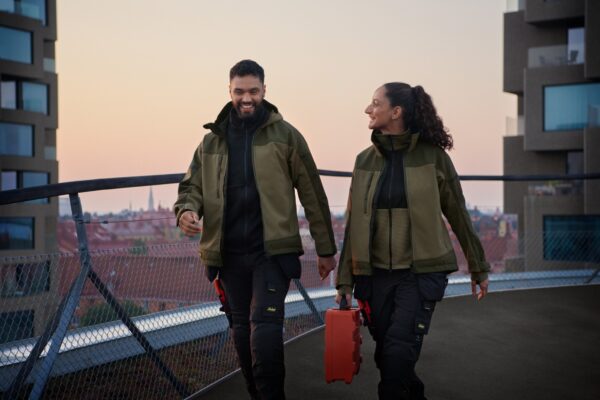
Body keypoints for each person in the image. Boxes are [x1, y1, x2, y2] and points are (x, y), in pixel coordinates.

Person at [174, 60, 337, 400]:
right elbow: (192, 187)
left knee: (265, 330)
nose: (246, 98)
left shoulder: (287, 136)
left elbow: (312, 193)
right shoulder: (211, 142)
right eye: (239, 92)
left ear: (264, 90)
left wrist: (325, 249)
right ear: (229, 91)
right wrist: (186, 210)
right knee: (241, 334)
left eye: (253, 91)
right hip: (228, 253)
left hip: (272, 252)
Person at [335, 82, 490, 400]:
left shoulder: (434, 158)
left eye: (375, 103)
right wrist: (344, 282)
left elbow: (459, 214)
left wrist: (478, 266)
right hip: (375, 277)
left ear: (396, 112)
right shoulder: (364, 161)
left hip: (420, 275)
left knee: (396, 354)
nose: (368, 109)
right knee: (388, 358)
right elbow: (354, 227)